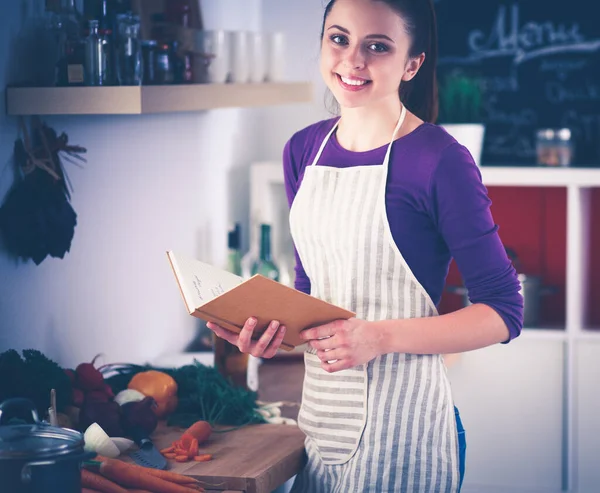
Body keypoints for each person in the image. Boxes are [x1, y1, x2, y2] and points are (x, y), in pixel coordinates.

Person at [207, 0, 524, 491]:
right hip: (320, 425)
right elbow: (311, 295)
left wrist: (379, 338)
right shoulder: (303, 151)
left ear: (412, 64)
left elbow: (504, 312)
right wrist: (270, 335)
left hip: (405, 432)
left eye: (377, 46)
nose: (352, 60)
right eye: (339, 38)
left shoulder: (439, 160)